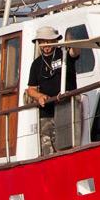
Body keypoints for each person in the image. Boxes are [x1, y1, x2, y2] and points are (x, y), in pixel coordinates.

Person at [26, 25, 80, 156]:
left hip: (66, 107)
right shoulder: (36, 64)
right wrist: (39, 96)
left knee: (68, 145)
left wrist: (70, 40)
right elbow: (31, 89)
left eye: (49, 41)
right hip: (46, 113)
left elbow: (76, 51)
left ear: (55, 41)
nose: (46, 45)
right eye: (42, 42)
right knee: (47, 149)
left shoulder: (65, 53)